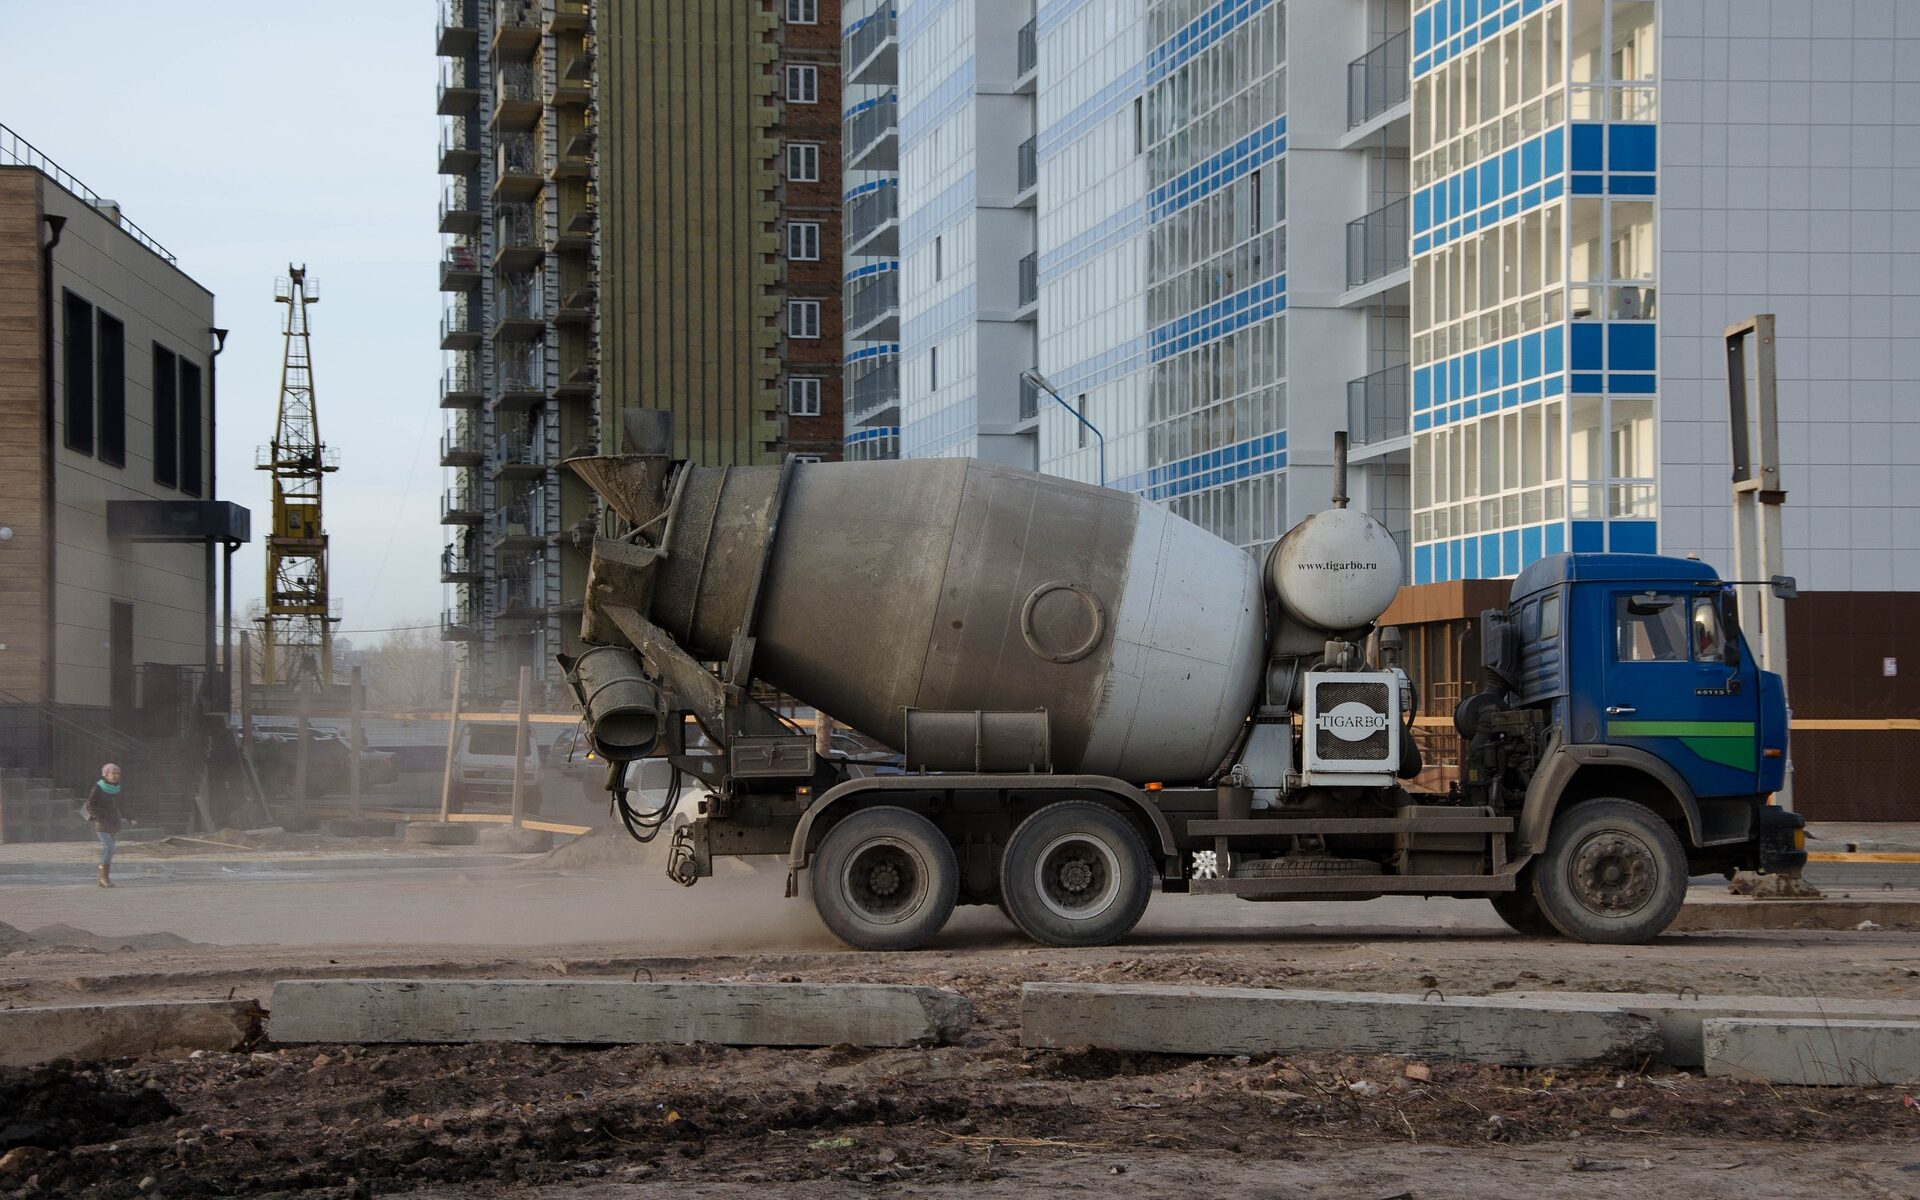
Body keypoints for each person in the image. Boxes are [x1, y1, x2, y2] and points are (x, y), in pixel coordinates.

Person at [83, 763, 132, 888]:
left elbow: (122, 805)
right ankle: (104, 877)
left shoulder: (118, 788)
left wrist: (130, 818)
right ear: (105, 774)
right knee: (109, 847)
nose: (116, 776)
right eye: (113, 773)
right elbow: (90, 805)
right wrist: (98, 816)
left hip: (113, 821)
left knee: (107, 850)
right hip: (102, 822)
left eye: (118, 773)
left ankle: (102, 877)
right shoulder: (98, 787)